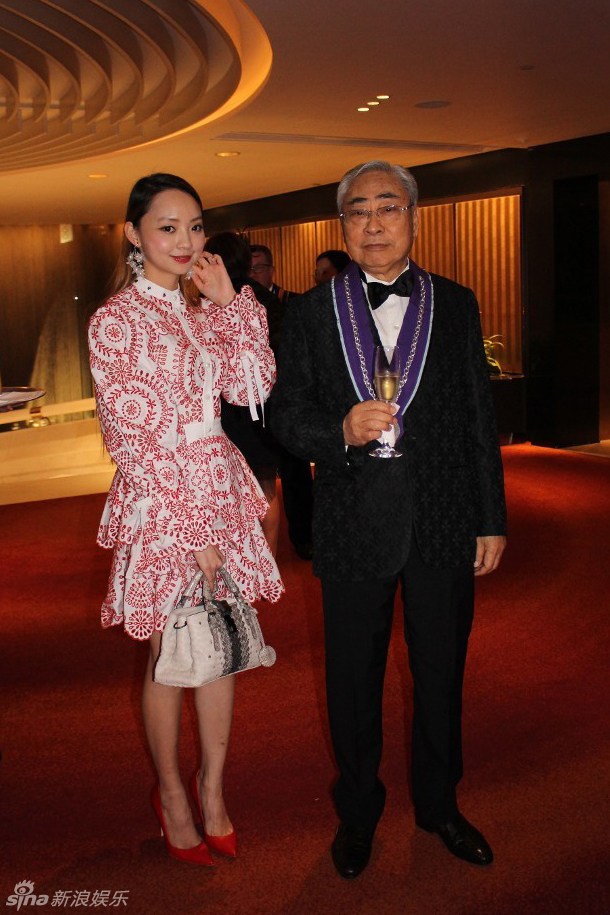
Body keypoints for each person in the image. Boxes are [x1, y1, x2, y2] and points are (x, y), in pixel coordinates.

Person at [271, 160, 507, 878]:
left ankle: (440, 805)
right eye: (359, 211)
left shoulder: (456, 303)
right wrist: (338, 430)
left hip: (443, 516)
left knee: (441, 673)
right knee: (352, 681)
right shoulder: (310, 313)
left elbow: (477, 416)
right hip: (351, 521)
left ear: (413, 217)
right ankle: (358, 814)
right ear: (342, 224)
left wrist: (491, 516)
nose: (374, 223)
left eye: (388, 207)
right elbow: (286, 416)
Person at [88, 174, 283, 866]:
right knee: (171, 654)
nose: (184, 241)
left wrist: (232, 305)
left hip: (219, 485)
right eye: (167, 226)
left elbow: (252, 389)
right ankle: (172, 794)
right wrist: (191, 530)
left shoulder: (203, 312)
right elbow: (129, 440)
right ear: (134, 234)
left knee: (219, 641)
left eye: (194, 226)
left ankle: (213, 789)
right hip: (162, 500)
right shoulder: (115, 320)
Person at [204, 231, 282, 555]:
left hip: (233, 411)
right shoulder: (260, 296)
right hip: (262, 409)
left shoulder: (217, 300)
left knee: (250, 493)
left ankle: (260, 562)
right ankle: (269, 560)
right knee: (265, 488)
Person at [248, 243, 314, 559]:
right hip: (250, 408)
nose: (253, 275)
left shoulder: (294, 303)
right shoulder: (232, 306)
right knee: (257, 478)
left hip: (287, 401)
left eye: (259, 268)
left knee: (295, 473)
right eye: (248, 269)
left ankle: (305, 537)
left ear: (272, 270)